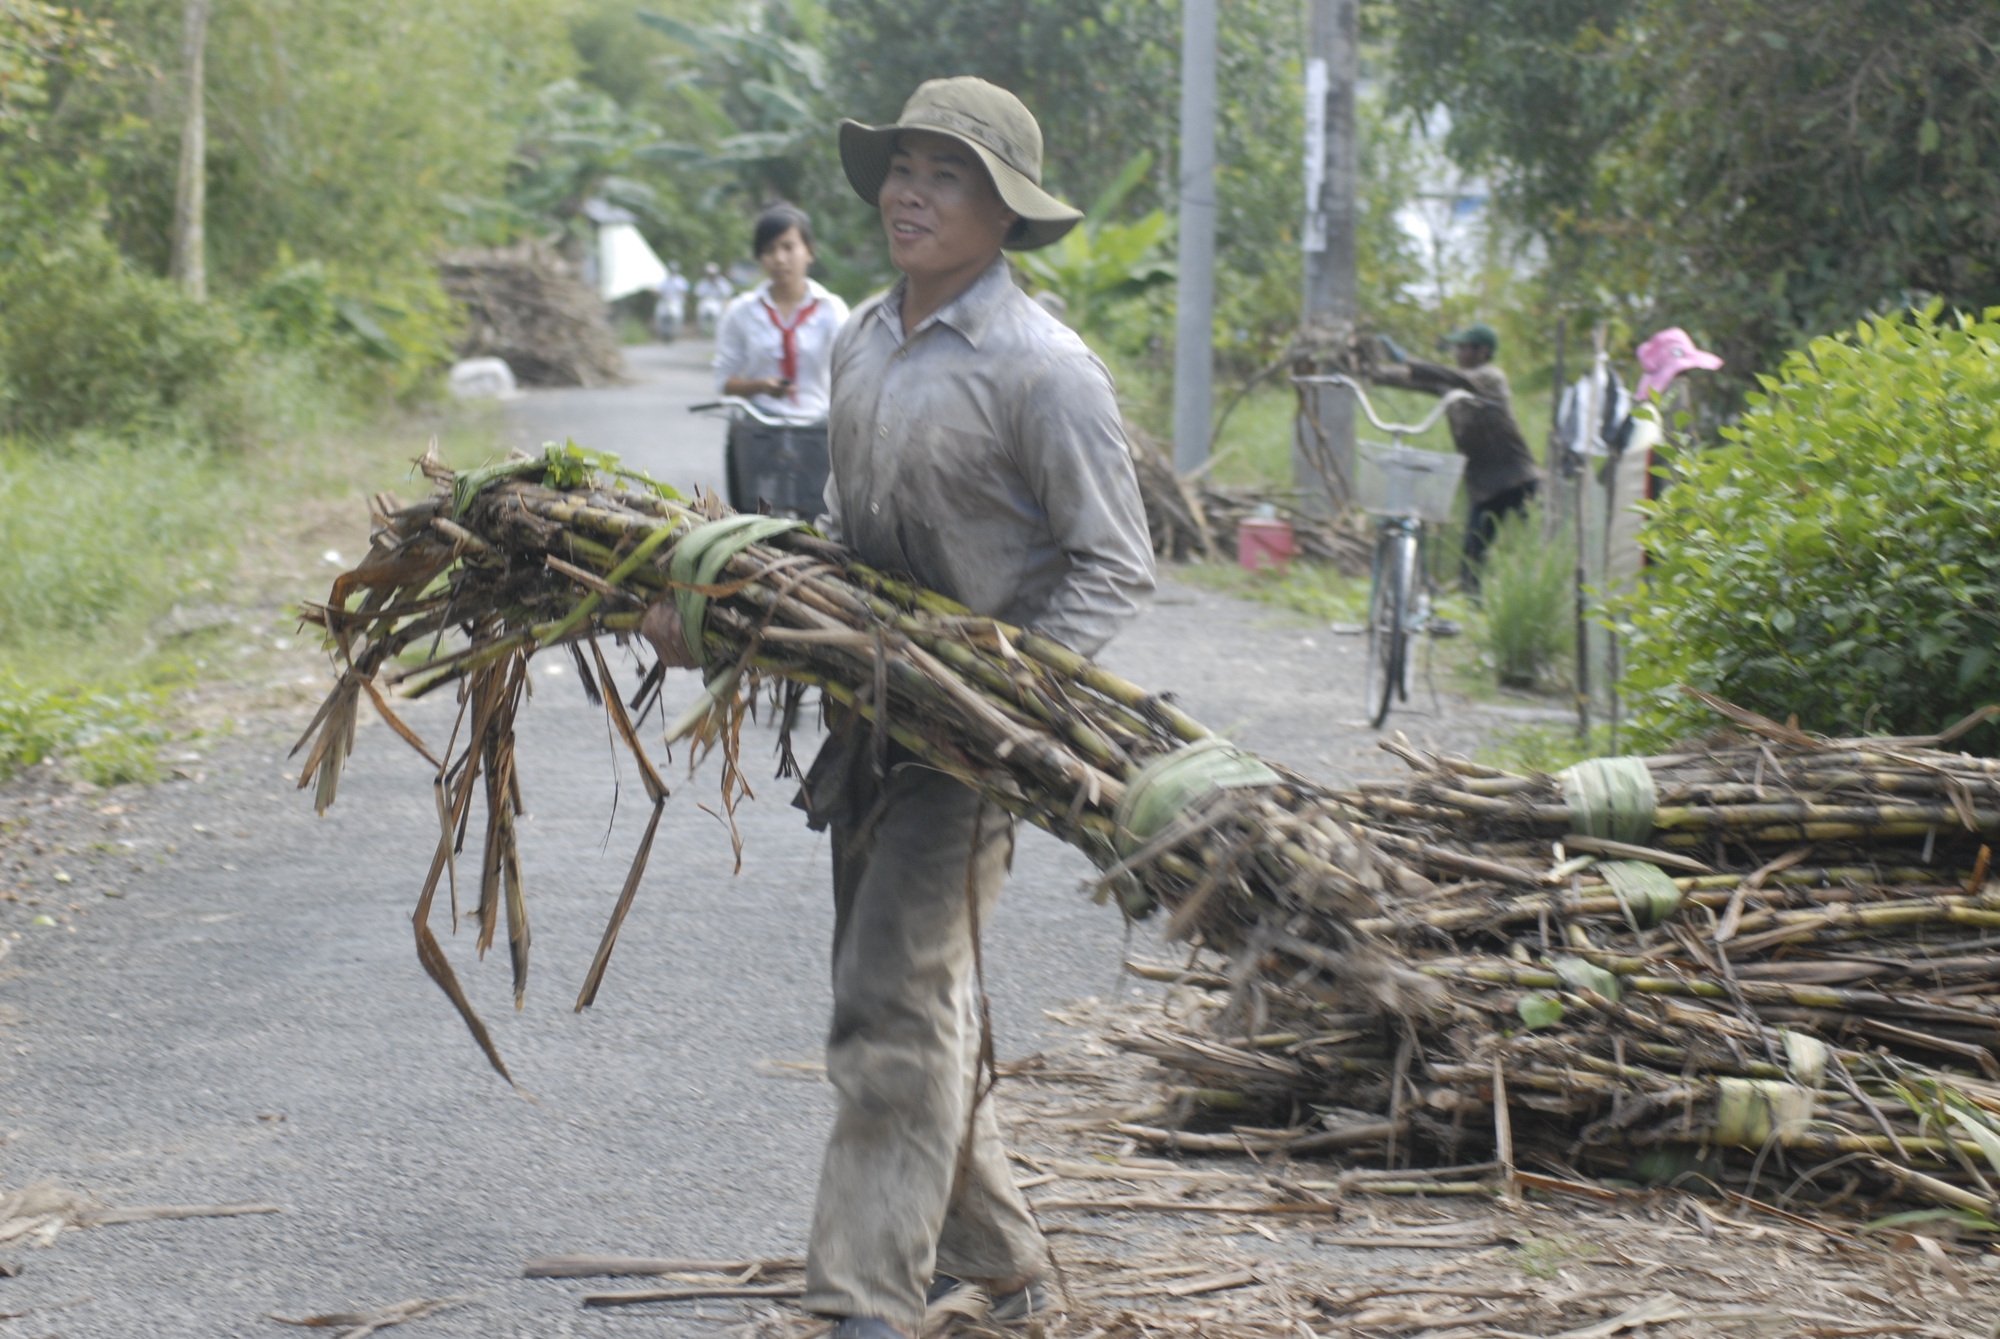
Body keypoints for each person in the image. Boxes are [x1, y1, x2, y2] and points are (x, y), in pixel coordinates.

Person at [642, 76, 1155, 1339]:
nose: (907, 190)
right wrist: (719, 608)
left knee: (887, 1005)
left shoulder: (1044, 371)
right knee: (910, 999)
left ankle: (860, 1301)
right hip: (866, 718)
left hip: (972, 744)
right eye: (902, 165)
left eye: (946, 172)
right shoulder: (858, 339)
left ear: (1002, 212)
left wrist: (1005, 702)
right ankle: (999, 1257)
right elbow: (840, 539)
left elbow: (1113, 562)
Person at [1372, 322, 1541, 591]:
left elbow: (1456, 378)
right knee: (1473, 555)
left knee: (1541, 543)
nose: (1457, 353)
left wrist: (1408, 358)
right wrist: (1369, 371)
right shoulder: (1450, 383)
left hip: (1517, 476)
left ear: (1482, 352)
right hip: (1484, 483)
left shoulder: (1491, 377)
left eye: (1462, 348)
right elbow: (1411, 378)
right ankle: (1473, 607)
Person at [711, 205, 850, 516]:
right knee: (755, 515)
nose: (779, 258)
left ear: (810, 252)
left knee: (822, 515)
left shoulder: (832, 310)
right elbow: (724, 381)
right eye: (769, 249)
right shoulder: (742, 311)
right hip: (761, 428)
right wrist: (760, 386)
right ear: (760, 257)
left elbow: (850, 369)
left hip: (817, 428)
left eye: (789, 247)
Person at [694, 262, 733, 338]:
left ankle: (717, 332)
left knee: (718, 315)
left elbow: (727, 294)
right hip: (706, 301)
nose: (711, 276)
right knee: (701, 313)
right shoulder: (703, 282)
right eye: (710, 274)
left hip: (717, 301)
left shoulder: (722, 282)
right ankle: (702, 332)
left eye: (713, 274)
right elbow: (698, 293)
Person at [653, 263, 689, 341]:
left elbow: (685, 292)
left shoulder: (681, 280)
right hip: (664, 301)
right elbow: (656, 290)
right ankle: (662, 333)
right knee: (659, 315)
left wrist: (682, 294)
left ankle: (675, 332)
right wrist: (656, 292)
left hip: (675, 301)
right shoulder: (663, 280)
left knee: (677, 316)